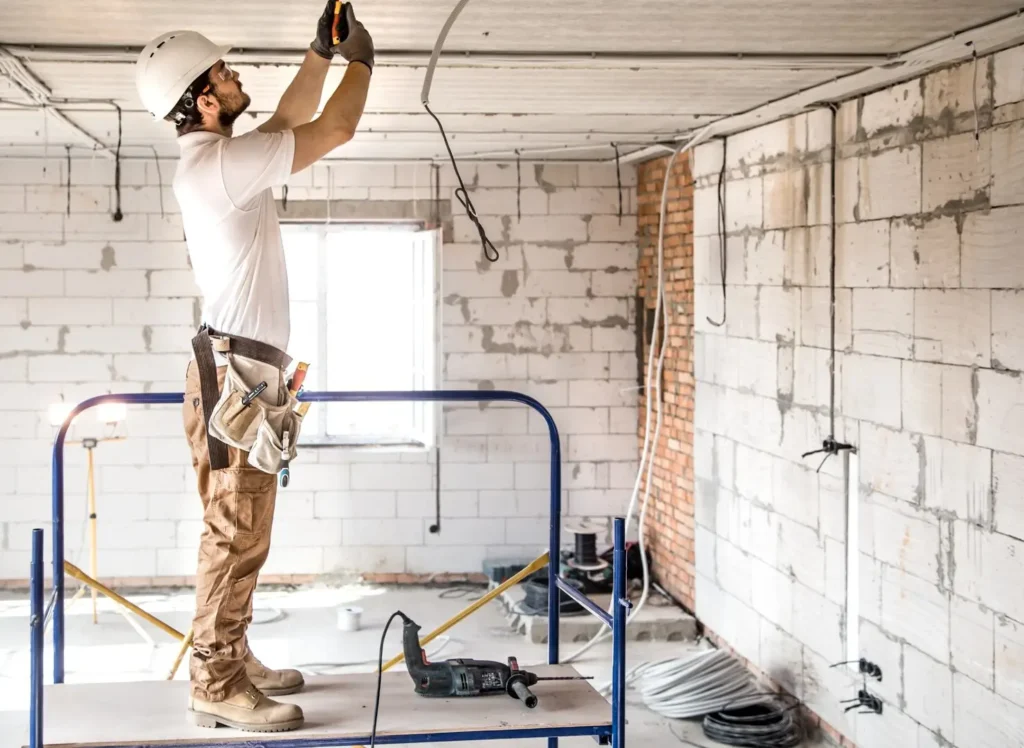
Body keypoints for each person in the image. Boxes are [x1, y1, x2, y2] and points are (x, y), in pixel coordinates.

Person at [134, 2, 374, 733]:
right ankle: (214, 681)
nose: (239, 77)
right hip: (236, 376)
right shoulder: (218, 170)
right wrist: (362, 60)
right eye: (226, 74)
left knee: (242, 530)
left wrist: (319, 54)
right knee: (233, 532)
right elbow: (332, 128)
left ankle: (231, 653)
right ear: (205, 100)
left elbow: (284, 123)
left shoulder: (223, 161)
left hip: (241, 372)